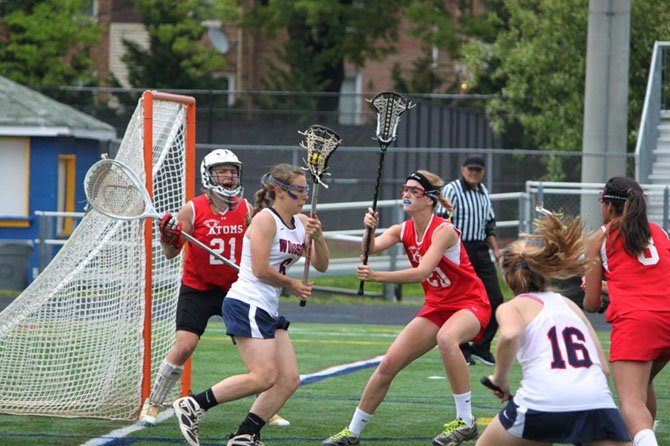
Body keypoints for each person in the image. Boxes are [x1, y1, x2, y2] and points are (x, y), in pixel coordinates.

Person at [321, 170, 490, 446]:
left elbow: (422, 273)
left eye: (415, 191)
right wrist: (370, 228)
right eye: (405, 189)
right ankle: (352, 433)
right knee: (388, 364)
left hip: (470, 303)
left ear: (430, 200)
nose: (407, 194)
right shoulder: (402, 229)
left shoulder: (443, 230)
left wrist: (377, 277)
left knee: (447, 339)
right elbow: (371, 248)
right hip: (437, 306)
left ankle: (466, 421)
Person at [171, 163, 329, 446]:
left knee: (289, 379)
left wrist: (318, 237)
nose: (305, 195)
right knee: (263, 377)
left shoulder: (303, 223)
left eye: (306, 190)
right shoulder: (265, 220)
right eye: (299, 190)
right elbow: (259, 269)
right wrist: (292, 284)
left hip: (267, 307)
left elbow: (322, 264)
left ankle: (246, 434)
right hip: (247, 302)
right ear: (280, 192)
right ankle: (193, 405)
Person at [138, 149, 290, 429]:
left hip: (237, 290)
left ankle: (267, 407)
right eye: (222, 170)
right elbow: (171, 252)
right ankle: (154, 401)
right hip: (198, 288)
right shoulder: (193, 209)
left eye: (232, 170)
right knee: (185, 345)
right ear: (209, 174)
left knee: (257, 353)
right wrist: (167, 236)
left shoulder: (247, 209)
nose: (229, 176)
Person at [477, 208, 631, 446]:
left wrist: (500, 379)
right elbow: (604, 370)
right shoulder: (570, 304)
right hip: (596, 402)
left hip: (542, 403)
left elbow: (509, 334)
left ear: (507, 279)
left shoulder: (512, 307)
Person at [583, 176, 670, 446]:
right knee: (641, 386)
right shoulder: (659, 231)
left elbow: (591, 304)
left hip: (638, 321)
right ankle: (643, 436)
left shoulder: (600, 238)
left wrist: (592, 285)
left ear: (608, 206)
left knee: (630, 401)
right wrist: (615, 287)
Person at [436, 155, 504, 366]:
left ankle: (481, 347)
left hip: (481, 250)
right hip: (459, 250)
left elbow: (489, 227)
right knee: (460, 299)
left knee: (496, 300)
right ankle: (461, 347)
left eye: (478, 170)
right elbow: (441, 222)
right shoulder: (452, 190)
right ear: (462, 169)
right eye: (470, 169)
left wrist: (497, 252)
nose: (473, 173)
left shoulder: (483, 191)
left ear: (483, 172)